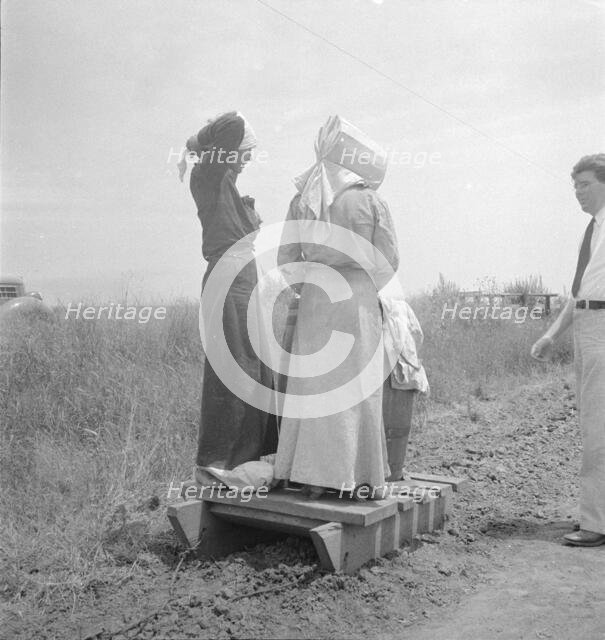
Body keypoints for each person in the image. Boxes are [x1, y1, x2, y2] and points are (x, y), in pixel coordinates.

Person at [273, 115, 399, 499]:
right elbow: (390, 258)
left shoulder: (304, 198)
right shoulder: (368, 199)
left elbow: (285, 257)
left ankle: (311, 477)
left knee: (315, 384)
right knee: (356, 385)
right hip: (356, 299)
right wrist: (363, 281)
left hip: (316, 298)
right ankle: (359, 477)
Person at [180, 111, 277, 482]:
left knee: (252, 366)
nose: (249, 156)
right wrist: (200, 138)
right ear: (226, 149)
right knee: (232, 368)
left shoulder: (227, 183)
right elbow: (233, 123)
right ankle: (217, 464)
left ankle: (242, 463)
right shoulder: (208, 174)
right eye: (245, 150)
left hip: (243, 281)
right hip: (227, 279)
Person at [531, 153, 605, 547]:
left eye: (586, 184)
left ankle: (596, 524)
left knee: (598, 428)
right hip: (588, 325)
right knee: (594, 424)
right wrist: (550, 336)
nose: (578, 192)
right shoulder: (591, 231)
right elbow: (580, 296)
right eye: (575, 185)